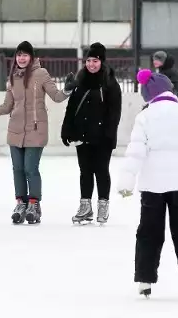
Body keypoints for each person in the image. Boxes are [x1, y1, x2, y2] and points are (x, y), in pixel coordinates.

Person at [117, 69, 178, 299]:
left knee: (149, 233)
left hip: (152, 185)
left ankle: (144, 279)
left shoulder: (145, 117)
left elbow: (135, 151)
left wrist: (126, 181)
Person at [0, 41, 75, 225]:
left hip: (36, 130)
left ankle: (34, 204)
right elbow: (6, 107)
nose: (21, 58)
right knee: (18, 170)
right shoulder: (13, 77)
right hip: (15, 131)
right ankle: (21, 203)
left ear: (31, 57)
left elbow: (56, 96)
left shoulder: (41, 74)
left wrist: (67, 89)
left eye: (25, 55)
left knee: (30, 168)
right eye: (19, 55)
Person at [61, 42, 122, 225]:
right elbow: (71, 108)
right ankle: (85, 207)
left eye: (95, 61)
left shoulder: (110, 83)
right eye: (88, 60)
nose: (91, 64)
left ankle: (103, 204)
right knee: (85, 171)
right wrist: (67, 130)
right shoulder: (80, 81)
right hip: (82, 135)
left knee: (101, 171)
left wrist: (109, 135)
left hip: (102, 137)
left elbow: (115, 112)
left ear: (101, 62)